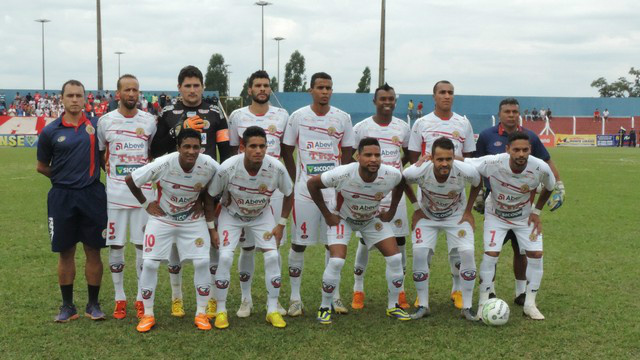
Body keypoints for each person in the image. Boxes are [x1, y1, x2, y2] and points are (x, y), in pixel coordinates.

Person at [150, 65, 231, 318]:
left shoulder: (215, 112)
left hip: (207, 190)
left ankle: (211, 300)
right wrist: (179, 127)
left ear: (203, 87)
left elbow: (226, 151)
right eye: (188, 85)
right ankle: (177, 298)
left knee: (211, 247)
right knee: (174, 247)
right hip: (176, 190)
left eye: (197, 85)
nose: (193, 90)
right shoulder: (167, 113)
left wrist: (218, 192)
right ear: (179, 88)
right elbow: (157, 150)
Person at [307, 137, 411, 324]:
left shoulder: (391, 174)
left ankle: (393, 306)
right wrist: (327, 214)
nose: (373, 159)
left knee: (395, 258)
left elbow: (401, 182)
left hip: (371, 219)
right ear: (358, 156)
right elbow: (312, 184)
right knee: (337, 261)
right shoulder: (343, 173)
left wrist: (392, 209)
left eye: (377, 155)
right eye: (368, 155)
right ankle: (324, 306)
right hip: (343, 219)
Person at [125, 129, 220, 332]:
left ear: (201, 148)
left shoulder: (209, 164)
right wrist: (145, 204)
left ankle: (201, 313)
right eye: (186, 146)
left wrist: (203, 201)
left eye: (196, 147)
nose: (191, 151)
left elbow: (222, 183)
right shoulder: (164, 163)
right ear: (178, 148)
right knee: (149, 263)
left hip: (192, 220)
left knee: (202, 261)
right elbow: (131, 179)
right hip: (163, 219)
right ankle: (148, 314)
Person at [474, 98, 564, 305]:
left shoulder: (530, 136)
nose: (511, 115)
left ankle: (521, 292)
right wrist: (478, 193)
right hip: (495, 202)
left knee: (521, 250)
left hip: (523, 205)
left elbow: (546, 162)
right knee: (491, 251)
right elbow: (476, 165)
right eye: (507, 111)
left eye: (515, 111)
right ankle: (490, 292)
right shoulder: (487, 135)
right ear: (500, 114)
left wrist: (559, 184)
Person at [281, 72, 355, 317]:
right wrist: (296, 179)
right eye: (320, 87)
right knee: (299, 244)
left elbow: (347, 154)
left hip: (333, 193)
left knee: (331, 243)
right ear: (311, 90)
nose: (325, 91)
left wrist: (340, 183)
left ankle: (333, 295)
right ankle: (294, 298)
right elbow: (287, 150)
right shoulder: (298, 117)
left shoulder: (343, 118)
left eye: (328, 88)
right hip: (304, 192)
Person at [208, 126, 294, 329]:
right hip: (232, 215)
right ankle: (221, 311)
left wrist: (281, 224)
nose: (258, 151)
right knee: (226, 257)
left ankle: (272, 310)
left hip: (261, 216)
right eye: (253, 146)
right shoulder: (227, 168)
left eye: (262, 146)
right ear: (242, 147)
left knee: (273, 256)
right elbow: (210, 196)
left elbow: (289, 193)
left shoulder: (276, 167)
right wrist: (212, 228)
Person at [37, 79, 107, 322]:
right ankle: (68, 307)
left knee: (93, 250)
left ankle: (93, 304)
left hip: (92, 195)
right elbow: (41, 167)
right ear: (62, 99)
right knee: (65, 252)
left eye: (79, 95)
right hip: (62, 197)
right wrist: (64, 179)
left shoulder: (97, 126)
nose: (75, 99)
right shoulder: (50, 131)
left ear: (85, 98)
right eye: (70, 95)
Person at [466, 131, 555, 320]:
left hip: (524, 218)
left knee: (536, 255)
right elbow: (462, 162)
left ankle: (530, 304)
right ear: (508, 150)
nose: (521, 154)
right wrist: (431, 159)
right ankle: (483, 304)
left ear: (530, 150)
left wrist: (536, 212)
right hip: (496, 216)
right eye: (516, 150)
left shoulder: (540, 168)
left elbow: (550, 186)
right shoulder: (493, 162)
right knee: (491, 255)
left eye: (525, 150)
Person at [407, 80, 475, 310]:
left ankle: (457, 289)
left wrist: (454, 163)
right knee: (422, 250)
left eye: (450, 93)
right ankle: (421, 297)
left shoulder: (463, 123)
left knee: (459, 249)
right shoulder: (421, 123)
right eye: (442, 92)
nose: (447, 96)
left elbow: (470, 159)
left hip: (455, 193)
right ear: (434, 96)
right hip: (429, 193)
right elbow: (414, 157)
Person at [227, 70, 289, 318]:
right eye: (258, 85)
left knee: (273, 248)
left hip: (272, 190)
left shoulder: (282, 116)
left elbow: (286, 151)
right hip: (243, 190)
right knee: (247, 247)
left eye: (266, 85)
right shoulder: (237, 116)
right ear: (249, 89)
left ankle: (275, 302)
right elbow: (232, 152)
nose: (262, 89)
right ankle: (245, 299)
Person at [97, 74, 156, 320]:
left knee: (143, 247)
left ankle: (142, 298)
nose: (132, 94)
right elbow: (102, 155)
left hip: (143, 198)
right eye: (127, 90)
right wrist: (116, 178)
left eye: (135, 90)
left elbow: (153, 154)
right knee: (116, 244)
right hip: (116, 197)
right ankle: (119, 297)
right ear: (118, 94)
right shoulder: (105, 122)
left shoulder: (150, 121)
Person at [404, 137, 482, 321]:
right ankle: (423, 305)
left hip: (456, 216)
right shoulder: (418, 170)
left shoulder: (465, 171)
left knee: (468, 252)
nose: (444, 163)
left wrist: (469, 211)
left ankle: (467, 307)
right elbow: (403, 181)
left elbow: (478, 182)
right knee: (419, 252)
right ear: (432, 159)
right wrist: (416, 208)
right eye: (440, 159)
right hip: (427, 216)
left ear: (454, 158)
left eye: (448, 159)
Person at [350, 83, 411, 310]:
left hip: (394, 192)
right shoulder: (362, 128)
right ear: (374, 101)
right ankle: (358, 289)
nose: (387, 102)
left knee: (400, 241)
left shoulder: (403, 127)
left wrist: (391, 173)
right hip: (367, 193)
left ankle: (400, 290)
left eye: (391, 99)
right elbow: (350, 157)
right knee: (366, 241)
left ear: (395, 101)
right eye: (383, 99)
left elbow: (408, 155)